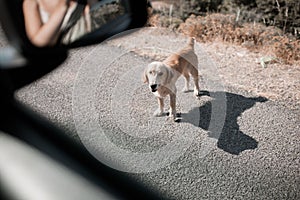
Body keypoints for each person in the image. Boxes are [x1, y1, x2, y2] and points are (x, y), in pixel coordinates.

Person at [23, 0, 94, 47]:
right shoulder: (31, 2)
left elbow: (97, 20)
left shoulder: (81, 2)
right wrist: (62, 8)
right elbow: (39, 44)